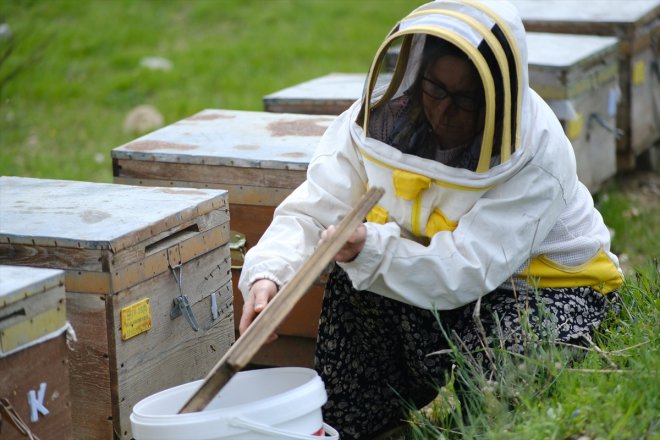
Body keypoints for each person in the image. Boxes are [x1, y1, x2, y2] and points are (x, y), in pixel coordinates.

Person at [238, 1, 624, 438]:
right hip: (438, 276)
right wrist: (268, 276)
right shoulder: (375, 124)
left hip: (543, 286)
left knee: (502, 406)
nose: (442, 110)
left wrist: (373, 249)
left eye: (463, 99)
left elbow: (468, 267)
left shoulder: (536, 153)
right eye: (435, 88)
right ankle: (369, 421)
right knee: (356, 270)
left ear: (497, 97)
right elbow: (314, 208)